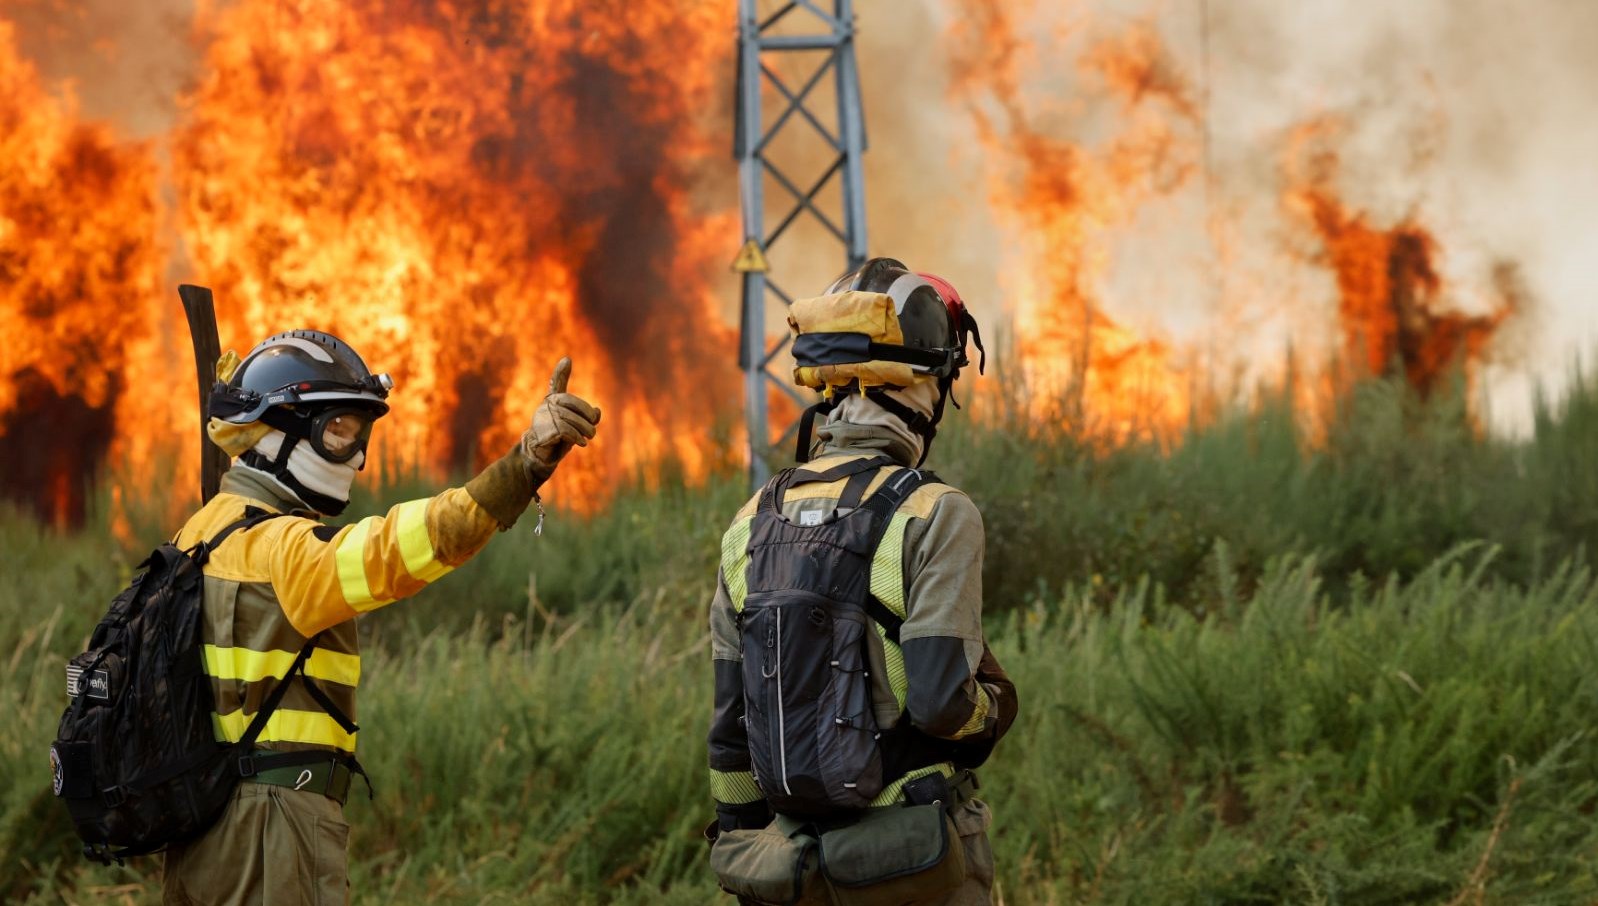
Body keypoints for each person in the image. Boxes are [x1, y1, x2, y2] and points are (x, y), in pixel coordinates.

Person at [161, 329, 600, 906]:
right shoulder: (284, 549)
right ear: (277, 431)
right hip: (273, 827)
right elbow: (402, 548)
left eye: (360, 432)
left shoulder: (196, 533)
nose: (359, 455)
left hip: (204, 825)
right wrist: (523, 466)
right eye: (339, 431)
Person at [706, 258, 1018, 905]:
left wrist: (743, 855)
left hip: (793, 872)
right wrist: (994, 709)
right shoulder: (935, 512)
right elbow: (939, 703)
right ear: (917, 385)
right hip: (917, 866)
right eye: (942, 381)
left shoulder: (749, 523)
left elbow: (730, 733)